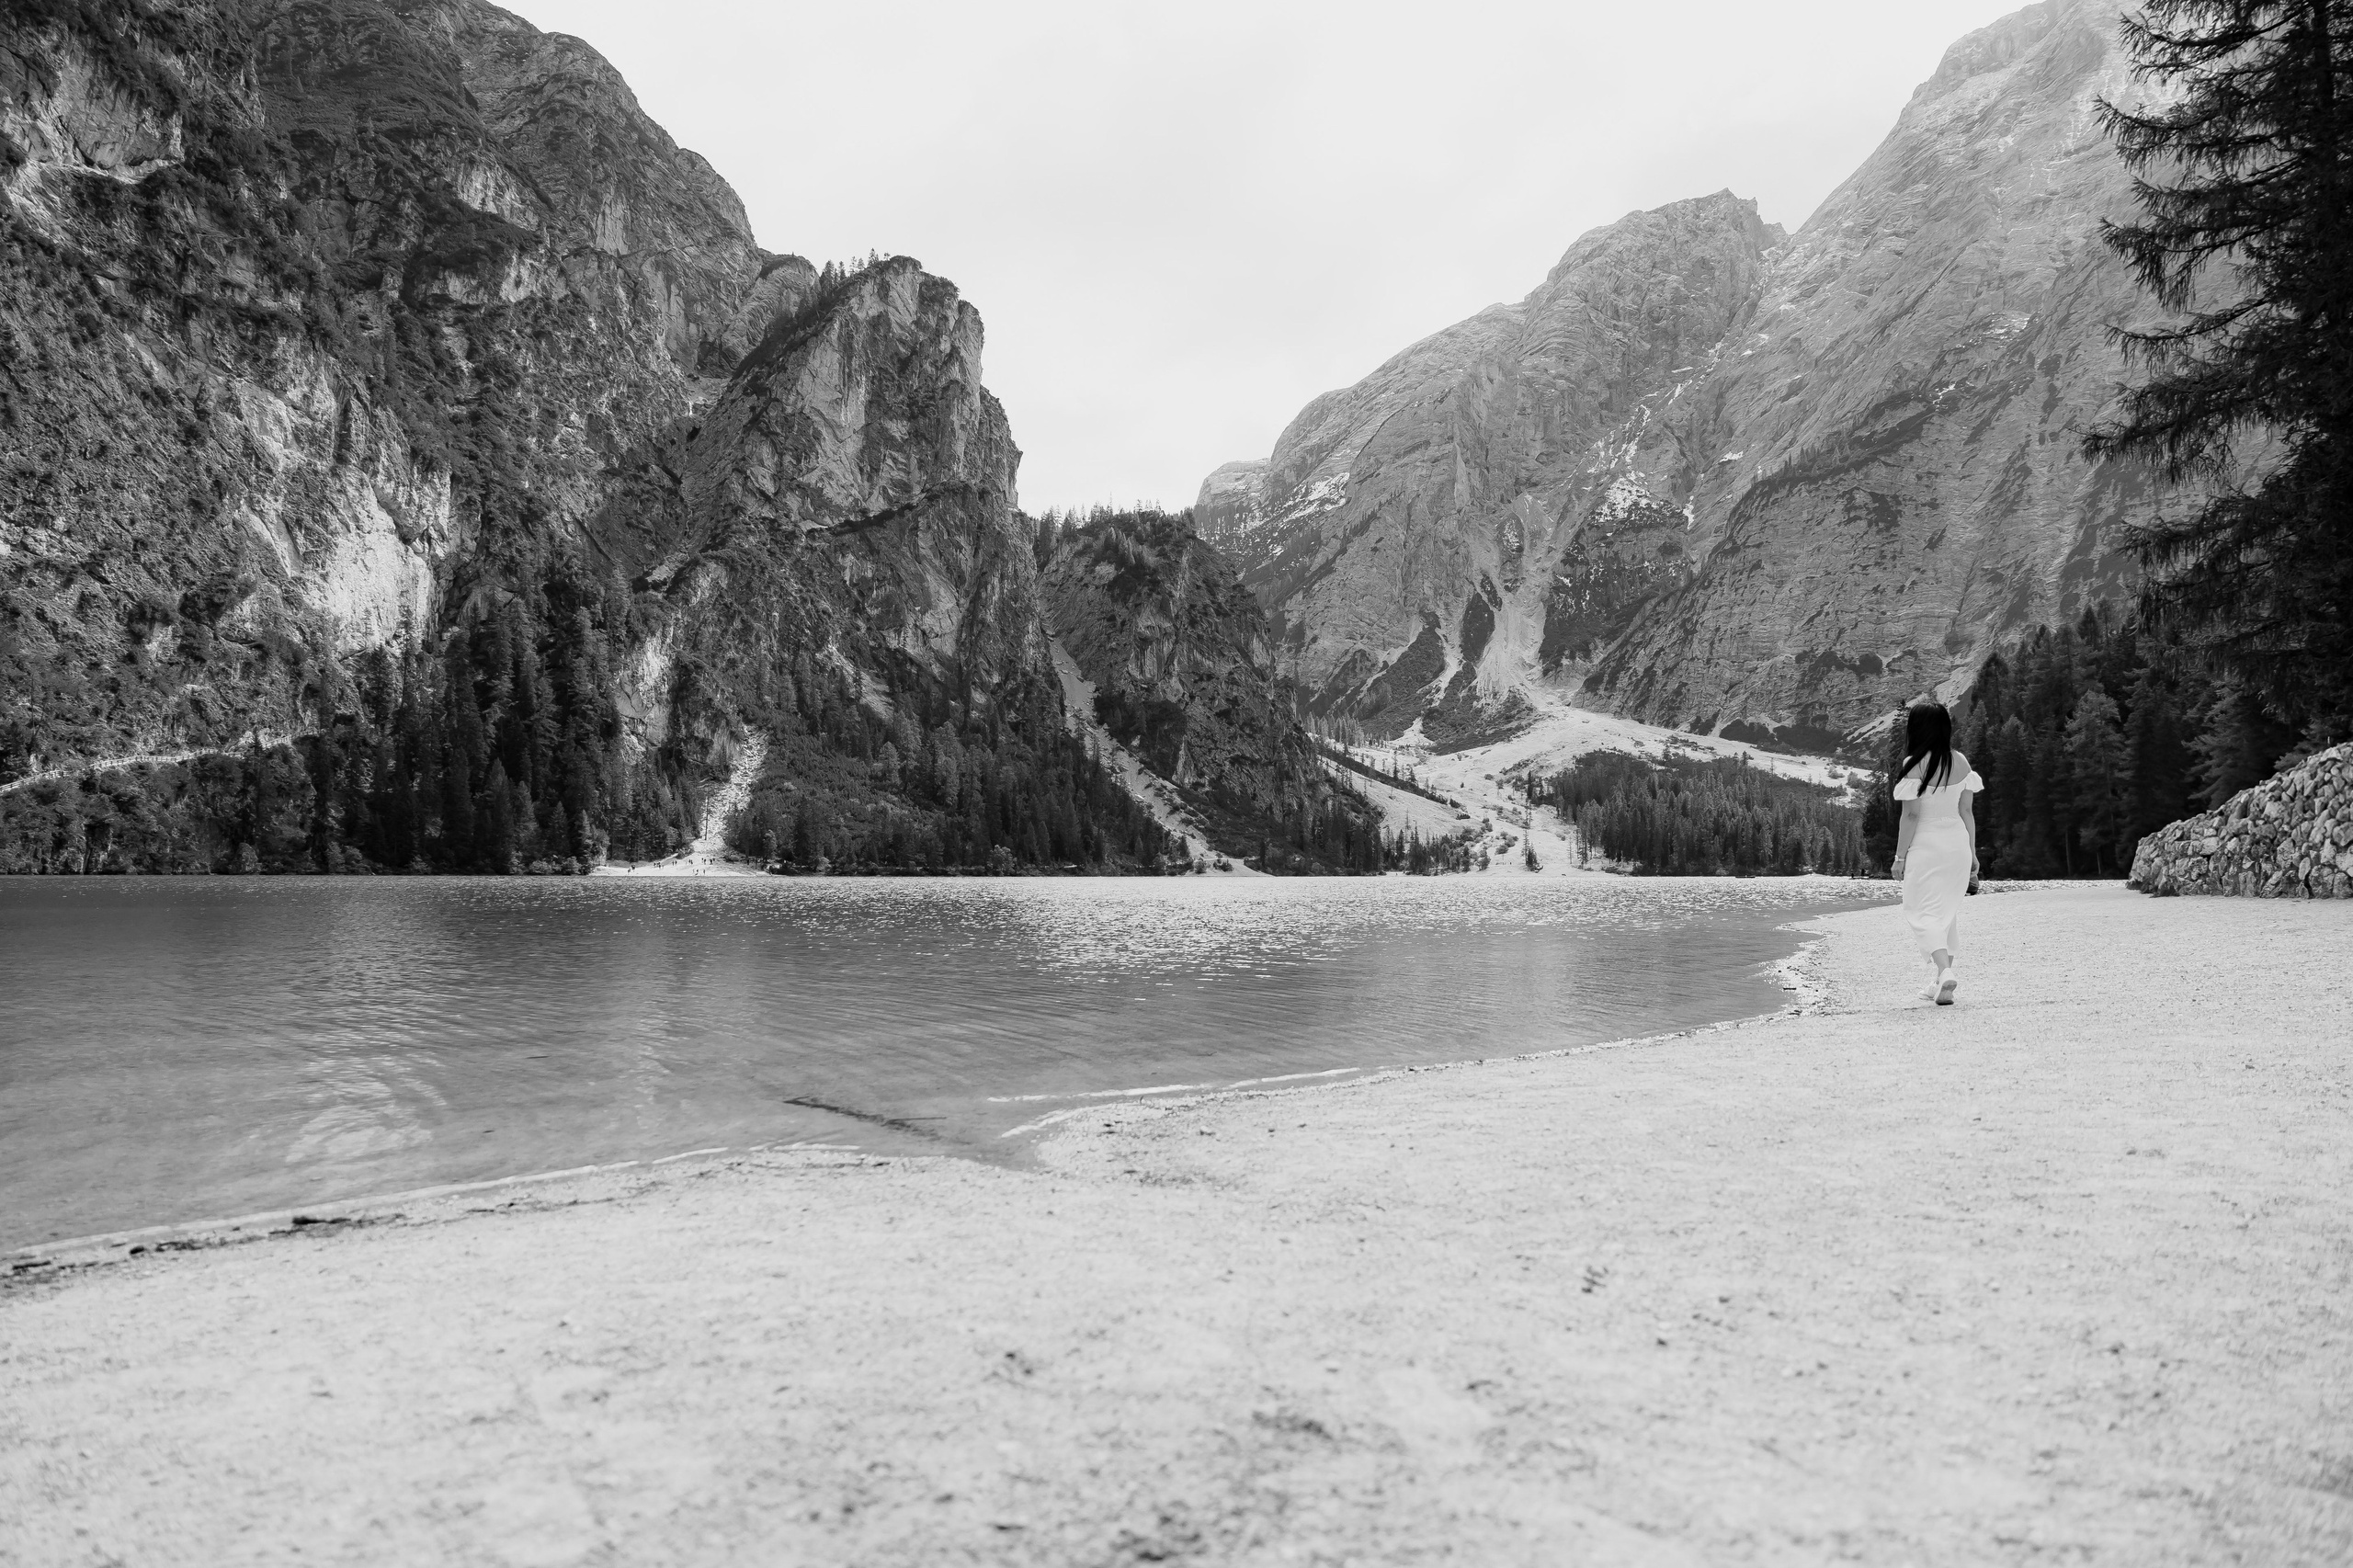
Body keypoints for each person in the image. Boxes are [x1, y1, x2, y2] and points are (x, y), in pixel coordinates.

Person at [1889, 702, 1983, 1006]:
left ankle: (1944, 972)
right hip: (1957, 844)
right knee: (1947, 914)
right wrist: (1972, 854)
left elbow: (1912, 817)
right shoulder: (1961, 762)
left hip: (1927, 846)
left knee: (1921, 912)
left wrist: (1900, 857)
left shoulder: (1914, 764)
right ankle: (1938, 984)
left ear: (1916, 729)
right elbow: (1966, 811)